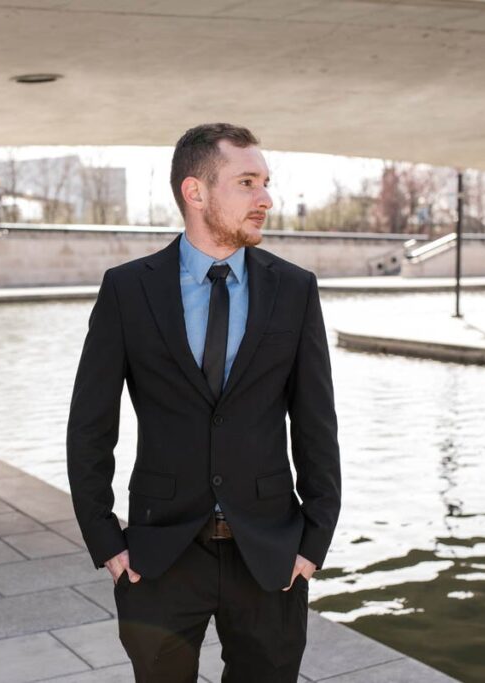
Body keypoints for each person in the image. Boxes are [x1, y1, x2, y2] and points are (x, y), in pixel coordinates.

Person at [66, 122, 341, 682]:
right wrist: (105, 541)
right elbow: (90, 426)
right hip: (159, 557)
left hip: (270, 557)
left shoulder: (295, 289)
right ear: (196, 192)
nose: (265, 198)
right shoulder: (127, 289)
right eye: (246, 182)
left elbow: (316, 425)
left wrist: (313, 542)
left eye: (265, 182)